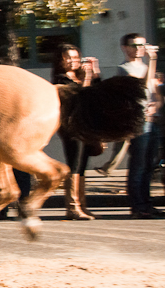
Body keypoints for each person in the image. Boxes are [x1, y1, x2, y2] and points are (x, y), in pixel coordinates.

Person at [111, 34, 162, 219]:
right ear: (125, 47)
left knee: (149, 165)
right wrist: (154, 60)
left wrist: (156, 105)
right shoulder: (123, 69)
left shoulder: (147, 67)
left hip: (152, 122)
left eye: (143, 44)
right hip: (138, 124)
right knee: (138, 166)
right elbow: (143, 85)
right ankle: (137, 206)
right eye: (135, 45)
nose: (140, 48)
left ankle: (147, 204)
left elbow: (154, 93)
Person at [52, 43, 102, 220]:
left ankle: (82, 205)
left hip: (86, 126)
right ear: (60, 60)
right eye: (68, 58)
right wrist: (87, 78)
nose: (73, 61)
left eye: (75, 57)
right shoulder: (60, 79)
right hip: (71, 127)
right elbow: (80, 96)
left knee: (82, 166)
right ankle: (72, 207)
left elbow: (97, 93)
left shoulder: (80, 76)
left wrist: (95, 73)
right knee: (74, 164)